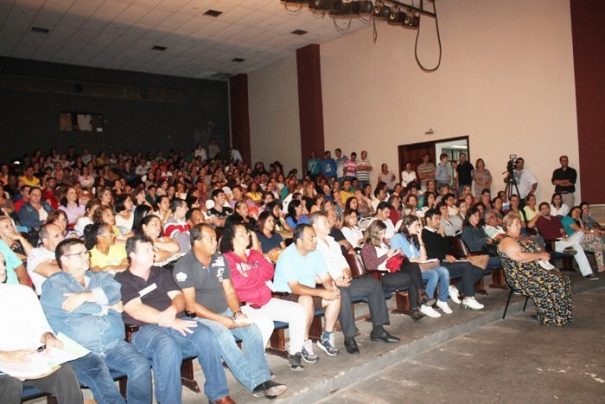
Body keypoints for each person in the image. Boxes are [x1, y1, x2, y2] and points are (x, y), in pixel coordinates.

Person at [115, 235, 234, 404]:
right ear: (132, 255)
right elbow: (135, 309)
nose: (153, 254)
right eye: (147, 251)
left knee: (206, 335)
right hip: (144, 329)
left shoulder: (161, 273)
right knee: (167, 347)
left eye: (152, 250)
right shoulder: (122, 279)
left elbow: (179, 297)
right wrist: (169, 320)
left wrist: (172, 310)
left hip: (175, 320)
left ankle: (219, 394)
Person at [173, 224, 287, 399]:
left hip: (224, 310)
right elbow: (191, 305)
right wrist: (220, 320)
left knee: (252, 329)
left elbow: (230, 291)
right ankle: (257, 383)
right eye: (210, 239)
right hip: (200, 318)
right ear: (196, 242)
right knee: (224, 336)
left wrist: (236, 312)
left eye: (214, 238)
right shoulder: (184, 266)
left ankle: (262, 379)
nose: (215, 242)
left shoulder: (219, 259)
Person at [41, 238, 152, 404]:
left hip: (111, 343)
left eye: (86, 252)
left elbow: (115, 292)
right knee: (103, 381)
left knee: (140, 365)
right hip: (80, 350)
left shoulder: (100, 277)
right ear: (64, 259)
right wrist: (106, 307)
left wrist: (85, 296)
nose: (86, 256)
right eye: (80, 254)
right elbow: (76, 308)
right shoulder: (54, 284)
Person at [220, 223, 307, 370]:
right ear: (232, 238)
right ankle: (254, 363)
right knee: (265, 323)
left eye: (247, 232)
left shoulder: (254, 254)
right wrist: (256, 274)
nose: (247, 235)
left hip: (266, 301)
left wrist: (250, 274)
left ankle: (294, 353)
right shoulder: (226, 259)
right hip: (245, 305)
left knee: (298, 310)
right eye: (241, 233)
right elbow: (236, 282)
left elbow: (269, 272)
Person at [0, 255, 83, 404]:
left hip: (32, 360)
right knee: (10, 383)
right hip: (3, 367)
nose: (2, 268)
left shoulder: (23, 293)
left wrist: (48, 337)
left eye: (3, 262)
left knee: (65, 372)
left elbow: (41, 327)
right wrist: (5, 356)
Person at [311, 213, 399, 354]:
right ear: (315, 227)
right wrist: (335, 281)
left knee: (373, 284)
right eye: (325, 222)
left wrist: (346, 274)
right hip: (326, 285)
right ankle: (349, 337)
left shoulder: (333, 242)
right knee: (343, 292)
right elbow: (314, 273)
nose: (329, 224)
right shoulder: (312, 245)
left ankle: (378, 330)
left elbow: (344, 263)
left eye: (328, 221)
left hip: (343, 280)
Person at [273, 224, 342, 361]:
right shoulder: (287, 255)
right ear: (299, 241)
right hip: (285, 296)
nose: (315, 240)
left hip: (308, 292)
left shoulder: (316, 253)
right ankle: (303, 342)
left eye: (315, 237)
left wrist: (330, 288)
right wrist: (321, 293)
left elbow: (326, 277)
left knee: (336, 295)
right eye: (312, 238)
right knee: (306, 299)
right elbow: (295, 288)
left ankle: (326, 337)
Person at [497, 213, 573, 326]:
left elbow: (535, 250)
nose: (519, 226)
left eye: (519, 223)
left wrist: (542, 254)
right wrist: (540, 256)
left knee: (563, 278)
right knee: (554, 281)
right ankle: (550, 317)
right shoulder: (507, 241)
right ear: (508, 226)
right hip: (521, 276)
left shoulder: (520, 237)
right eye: (516, 224)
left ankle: (562, 315)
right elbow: (519, 257)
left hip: (535, 269)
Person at [361, 219, 428, 320]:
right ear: (374, 232)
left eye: (384, 233)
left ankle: (419, 295)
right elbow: (371, 266)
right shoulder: (367, 247)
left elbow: (389, 258)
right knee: (412, 276)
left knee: (413, 266)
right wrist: (387, 255)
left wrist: (396, 254)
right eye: (381, 233)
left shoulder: (382, 243)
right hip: (381, 276)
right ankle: (417, 301)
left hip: (392, 270)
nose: (383, 236)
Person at [422, 208, 485, 310]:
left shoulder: (436, 233)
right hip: (437, 263)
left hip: (446, 260)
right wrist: (444, 256)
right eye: (436, 219)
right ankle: (469, 297)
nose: (439, 221)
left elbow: (447, 247)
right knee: (467, 266)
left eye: (439, 218)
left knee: (479, 270)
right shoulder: (424, 233)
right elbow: (430, 253)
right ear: (428, 220)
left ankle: (455, 288)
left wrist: (442, 235)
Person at [391, 215, 452, 316]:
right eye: (416, 225)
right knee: (433, 274)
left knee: (444, 271)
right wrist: (416, 259)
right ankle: (425, 305)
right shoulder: (397, 238)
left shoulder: (413, 238)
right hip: (408, 270)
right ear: (407, 226)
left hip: (419, 267)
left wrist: (419, 238)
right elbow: (398, 259)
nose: (419, 228)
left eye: (419, 225)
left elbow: (424, 257)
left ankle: (442, 300)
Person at [531, 202, 597, 280]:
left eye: (546, 208)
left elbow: (562, 231)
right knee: (577, 247)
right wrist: (538, 214)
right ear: (540, 211)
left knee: (580, 234)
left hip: (565, 241)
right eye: (542, 209)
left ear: (549, 209)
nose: (545, 210)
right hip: (553, 244)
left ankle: (587, 272)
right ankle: (588, 274)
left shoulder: (555, 219)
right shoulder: (539, 219)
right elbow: (530, 225)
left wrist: (564, 235)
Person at [561, 207, 605, 272]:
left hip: (581, 241)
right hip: (573, 240)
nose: (577, 214)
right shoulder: (567, 219)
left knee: (597, 245)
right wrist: (593, 232)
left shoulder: (577, 221)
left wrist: (580, 220)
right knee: (596, 237)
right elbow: (578, 230)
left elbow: (585, 230)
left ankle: (601, 268)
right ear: (571, 211)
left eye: (579, 213)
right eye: (576, 211)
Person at [26, 223, 64, 294]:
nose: (62, 238)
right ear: (45, 240)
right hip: (49, 296)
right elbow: (51, 272)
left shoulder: (64, 251)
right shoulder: (36, 254)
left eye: (62, 234)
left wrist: (56, 263)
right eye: (56, 236)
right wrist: (71, 262)